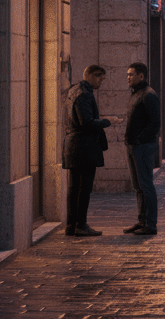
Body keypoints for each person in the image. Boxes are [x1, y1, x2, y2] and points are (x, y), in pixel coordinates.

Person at [61, 64, 116, 236]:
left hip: (75, 146)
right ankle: (80, 224)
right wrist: (108, 121)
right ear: (91, 76)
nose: (101, 81)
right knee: (83, 188)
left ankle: (72, 225)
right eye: (100, 78)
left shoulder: (73, 91)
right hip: (83, 147)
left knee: (74, 188)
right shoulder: (84, 94)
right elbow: (86, 123)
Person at [123, 62, 161, 235]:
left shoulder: (148, 95)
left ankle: (151, 224)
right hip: (133, 145)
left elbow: (155, 122)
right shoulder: (135, 94)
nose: (128, 78)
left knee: (146, 185)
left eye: (131, 74)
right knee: (138, 186)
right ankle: (142, 220)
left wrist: (139, 139)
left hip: (143, 146)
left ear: (141, 76)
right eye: (128, 74)